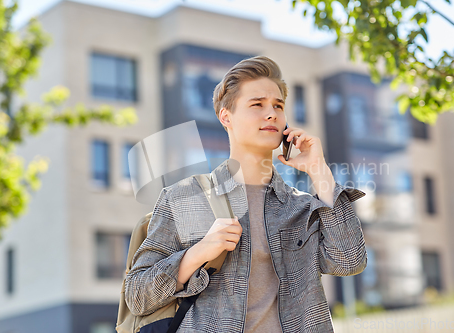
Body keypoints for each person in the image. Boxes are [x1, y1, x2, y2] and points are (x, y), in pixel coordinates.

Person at [125, 56, 367, 333]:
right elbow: (136, 295)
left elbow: (349, 261)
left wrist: (319, 171)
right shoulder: (183, 198)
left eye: (278, 105)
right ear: (226, 116)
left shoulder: (300, 207)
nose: (272, 114)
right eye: (257, 104)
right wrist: (197, 254)